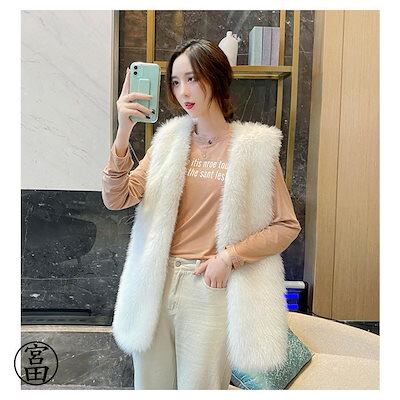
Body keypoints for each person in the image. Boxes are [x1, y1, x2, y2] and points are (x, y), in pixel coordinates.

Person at [102, 39, 301, 390]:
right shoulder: (168, 142)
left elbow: (286, 225)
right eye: (176, 81)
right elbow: (117, 198)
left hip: (208, 286)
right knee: (150, 386)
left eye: (192, 78)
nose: (183, 91)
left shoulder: (254, 148)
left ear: (217, 77)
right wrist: (123, 132)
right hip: (155, 282)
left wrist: (229, 257)